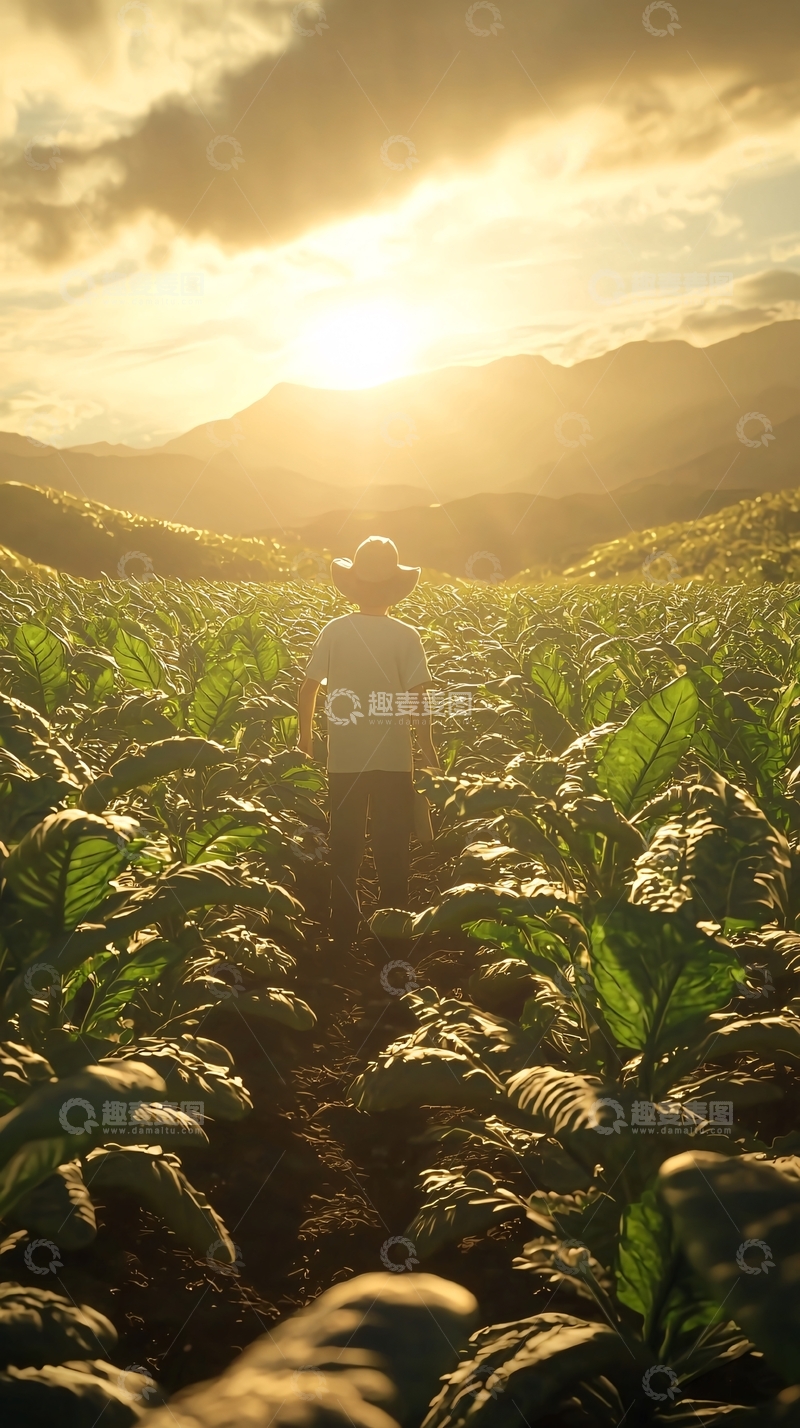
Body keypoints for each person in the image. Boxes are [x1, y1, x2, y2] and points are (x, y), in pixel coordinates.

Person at [297, 536, 439, 948]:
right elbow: (418, 700)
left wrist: (306, 738)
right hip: (395, 760)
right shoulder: (405, 635)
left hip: (344, 760)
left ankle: (344, 929)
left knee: (345, 844)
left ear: (354, 586)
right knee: (392, 844)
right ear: (396, 589)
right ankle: (393, 930)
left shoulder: (335, 631)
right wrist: (427, 752)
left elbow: (308, 688)